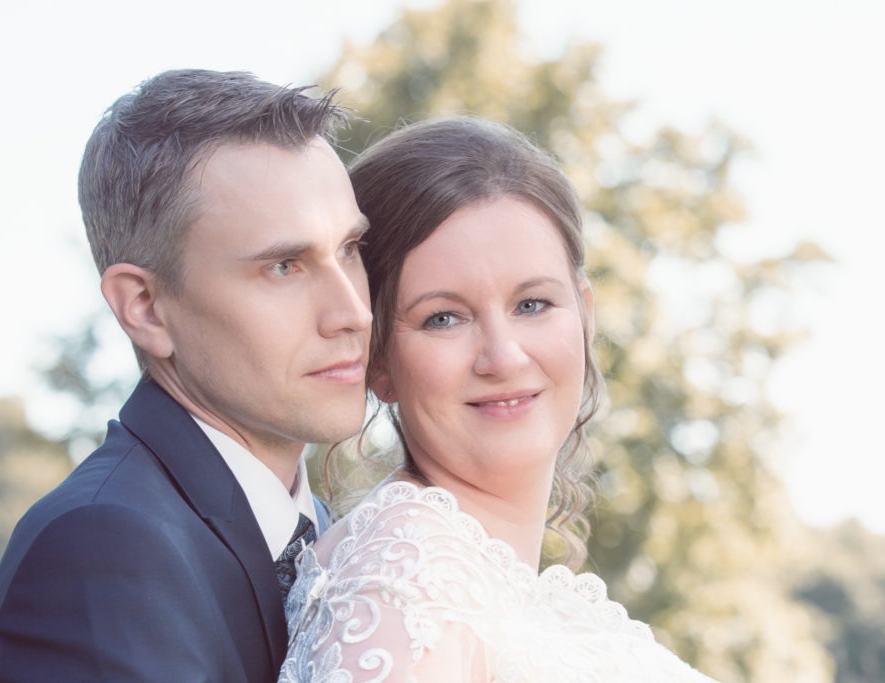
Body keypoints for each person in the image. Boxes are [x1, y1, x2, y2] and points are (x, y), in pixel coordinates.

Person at [278, 117, 716, 682]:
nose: (503, 357)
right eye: (444, 318)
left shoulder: (481, 580)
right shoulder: (408, 575)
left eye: (532, 304)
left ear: (585, 313)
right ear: (379, 362)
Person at [0, 69, 372, 681]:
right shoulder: (103, 549)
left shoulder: (341, 541)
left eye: (350, 250)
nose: (353, 312)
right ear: (144, 306)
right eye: (283, 266)